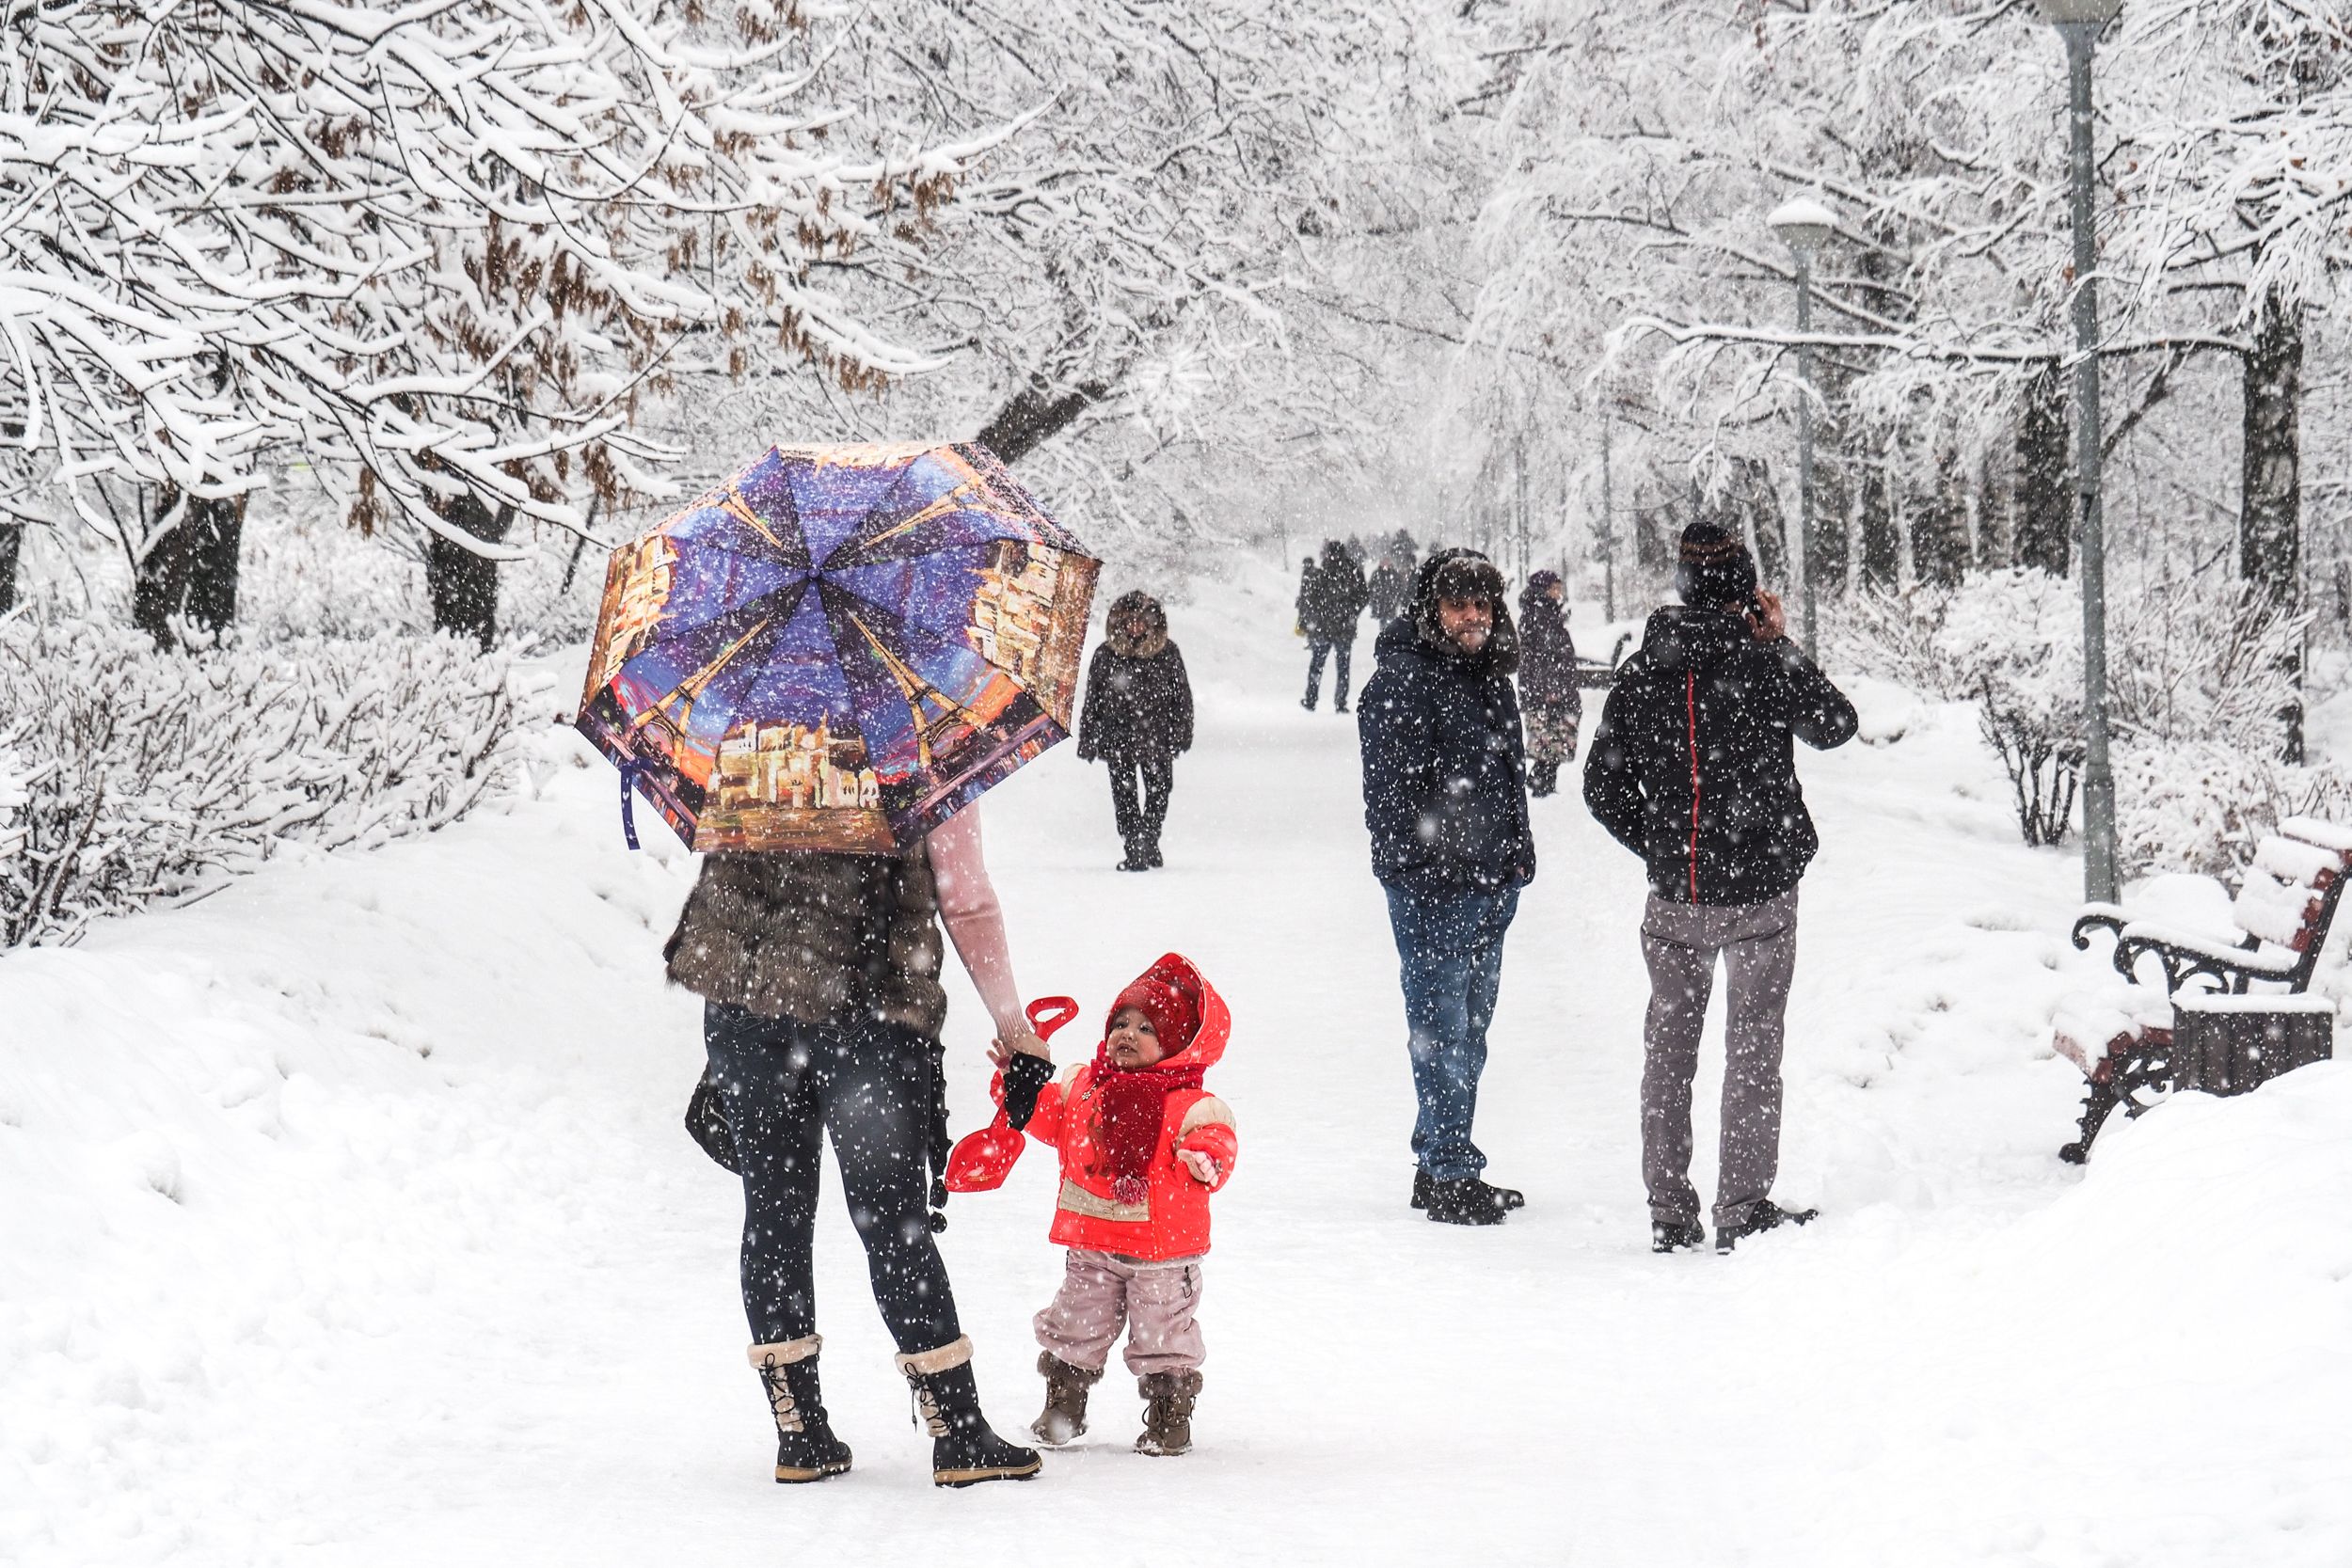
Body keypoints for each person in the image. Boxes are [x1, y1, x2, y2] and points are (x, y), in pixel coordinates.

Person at [666, 808, 1045, 1487]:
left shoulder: (743, 720)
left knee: (774, 1209)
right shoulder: (921, 733)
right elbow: (965, 897)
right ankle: (957, 1432)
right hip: (865, 997)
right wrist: (1014, 1025)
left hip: (746, 1001)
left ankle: (800, 1431)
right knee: (890, 1216)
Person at [1582, 521, 1858, 1256]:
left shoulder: (1645, 671)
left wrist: (1667, 846)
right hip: (1763, 894)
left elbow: (1600, 787)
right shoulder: (1763, 663)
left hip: (1677, 898)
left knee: (1668, 1053)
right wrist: (1780, 643)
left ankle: (1670, 1210)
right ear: (1745, 586)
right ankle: (1742, 1207)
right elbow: (1836, 723)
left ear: (1681, 582)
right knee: (1754, 1051)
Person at [988, 955, 1237, 1458]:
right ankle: (1064, 1404)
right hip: (1092, 1243)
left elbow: (1218, 1141)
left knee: (1163, 1333)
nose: (1128, 1033)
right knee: (1075, 1325)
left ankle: (1169, 1416)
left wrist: (1205, 1159)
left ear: (1177, 1045)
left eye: (1147, 1027)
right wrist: (1019, 1084)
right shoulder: (1084, 1087)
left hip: (1162, 1252)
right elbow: (1045, 1120)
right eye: (1120, 1022)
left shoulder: (1190, 1103)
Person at [1358, 548, 1535, 1226]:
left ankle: (1440, 1159)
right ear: (1432, 609)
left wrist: (1517, 855)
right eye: (1460, 604)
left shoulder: (1489, 677)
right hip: (1438, 889)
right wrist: (1426, 871)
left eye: (1484, 604)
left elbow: (1505, 779)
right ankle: (1452, 1171)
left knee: (1469, 1028)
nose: (1474, 616)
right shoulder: (1404, 680)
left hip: (1490, 882)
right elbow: (1391, 799)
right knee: (1443, 1028)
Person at [1076, 591, 1195, 872]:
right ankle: (1134, 845)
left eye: (1141, 622)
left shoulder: (1168, 654)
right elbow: (1092, 699)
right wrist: (1088, 737)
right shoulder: (1106, 655)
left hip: (1158, 736)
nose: (1135, 628)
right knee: (1124, 796)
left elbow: (1182, 698)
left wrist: (1182, 732)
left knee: (1160, 791)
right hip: (1118, 738)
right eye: (1129, 622)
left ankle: (1149, 837)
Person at [1516, 570, 1583, 799]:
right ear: (1544, 589)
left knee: (1555, 739)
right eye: (1555, 587)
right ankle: (1541, 784)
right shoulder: (1539, 615)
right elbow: (1541, 657)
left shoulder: (1543, 613)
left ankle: (1541, 782)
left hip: (1551, 688)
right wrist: (1551, 689)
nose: (1559, 592)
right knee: (1551, 738)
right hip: (1548, 691)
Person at [1299, 539, 1370, 712]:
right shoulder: (1353, 571)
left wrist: (1315, 617)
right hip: (1344, 628)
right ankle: (1340, 702)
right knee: (1343, 667)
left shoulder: (1323, 571)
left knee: (1317, 665)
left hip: (1324, 627)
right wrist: (1351, 612)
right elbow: (1363, 596)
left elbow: (1313, 599)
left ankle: (1311, 699)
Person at [1367, 539, 1415, 626]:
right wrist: (1375, 599)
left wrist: (1395, 599)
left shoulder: (1394, 574)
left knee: (1389, 624)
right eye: (1384, 561)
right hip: (1381, 605)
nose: (1385, 563)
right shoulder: (1377, 574)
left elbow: (1400, 588)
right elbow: (1371, 588)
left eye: (1387, 561)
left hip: (1390, 605)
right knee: (1384, 625)